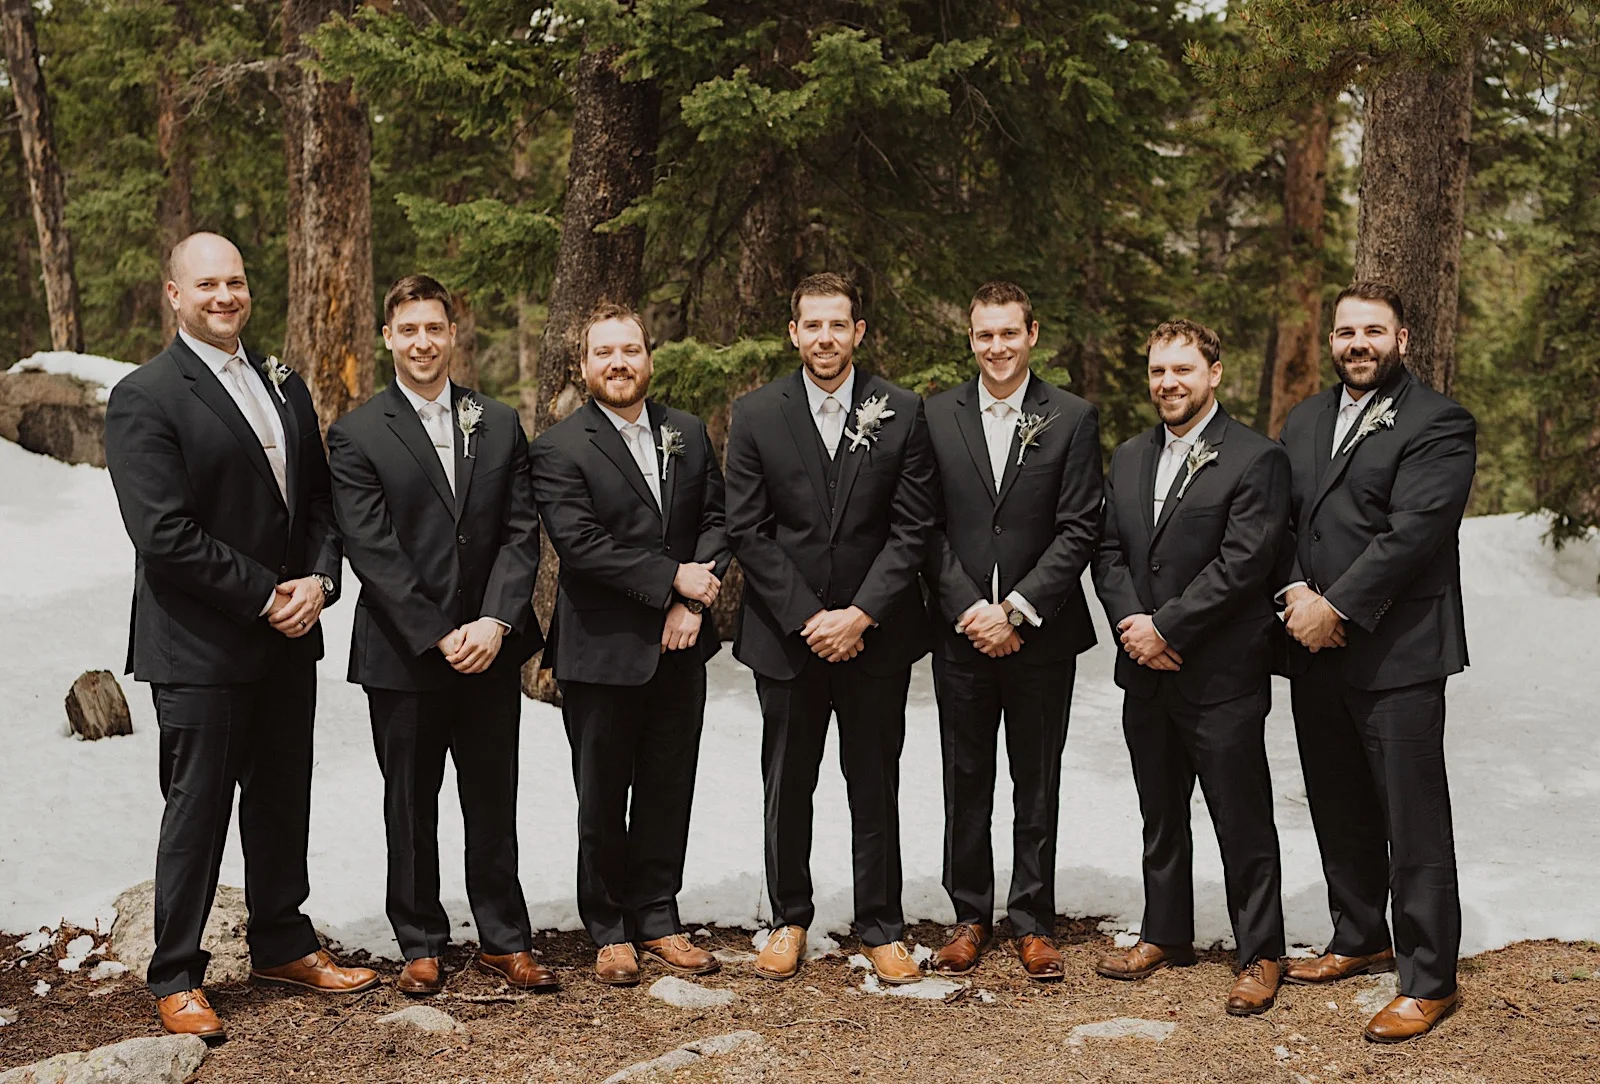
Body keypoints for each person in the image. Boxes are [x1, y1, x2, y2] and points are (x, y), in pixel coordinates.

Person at [104, 232, 376, 1041]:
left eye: (236, 282)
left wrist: (320, 581)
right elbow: (163, 534)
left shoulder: (283, 383)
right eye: (207, 285)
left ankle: (283, 945)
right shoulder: (146, 395)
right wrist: (264, 595)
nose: (225, 296)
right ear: (174, 294)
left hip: (291, 632)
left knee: (282, 798)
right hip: (201, 642)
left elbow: (320, 501)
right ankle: (176, 974)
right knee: (197, 810)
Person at [326, 274, 548, 997]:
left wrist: (495, 621)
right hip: (405, 654)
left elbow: (520, 530)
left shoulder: (499, 422)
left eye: (434, 328)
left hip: (490, 648)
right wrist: (438, 633)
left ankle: (504, 939)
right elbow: (371, 548)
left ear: (452, 334)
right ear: (387, 338)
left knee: (493, 800)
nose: (422, 342)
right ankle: (420, 941)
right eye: (409, 330)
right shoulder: (357, 433)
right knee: (410, 804)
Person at [1277, 282, 1475, 1042]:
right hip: (1313, 646)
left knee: (1411, 817)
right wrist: (1297, 593)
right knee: (1338, 801)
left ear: (1403, 340)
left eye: (1373, 330)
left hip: (1398, 647)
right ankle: (1359, 934)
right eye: (1345, 331)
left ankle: (1429, 979)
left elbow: (1413, 532)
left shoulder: (1439, 422)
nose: (1357, 343)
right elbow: (1280, 519)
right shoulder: (1305, 419)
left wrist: (1337, 607)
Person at [724, 273, 936, 985]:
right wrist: (811, 618)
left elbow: (912, 529)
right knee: (788, 785)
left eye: (837, 324)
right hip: (787, 638)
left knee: (875, 783)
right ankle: (789, 919)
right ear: (794, 333)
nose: (825, 337)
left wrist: (861, 614)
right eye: (812, 325)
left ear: (858, 332)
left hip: (876, 635)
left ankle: (881, 926)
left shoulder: (901, 411)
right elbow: (748, 530)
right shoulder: (756, 413)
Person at [1091, 319, 1290, 1015]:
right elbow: (1108, 552)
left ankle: (1261, 952)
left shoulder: (1256, 457)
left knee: (1241, 818)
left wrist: (1167, 627)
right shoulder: (1129, 456)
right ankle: (1165, 933)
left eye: (1182, 370)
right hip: (1146, 671)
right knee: (1160, 814)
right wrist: (1134, 628)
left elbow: (1245, 561)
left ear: (1214, 374)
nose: (1168, 383)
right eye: (1158, 371)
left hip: (1220, 674)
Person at [529, 304, 730, 986]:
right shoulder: (559, 448)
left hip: (682, 643)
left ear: (649, 356)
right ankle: (609, 928)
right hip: (602, 649)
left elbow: (717, 521)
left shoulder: (687, 432)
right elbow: (581, 546)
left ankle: (659, 917)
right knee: (602, 795)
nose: (619, 362)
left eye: (630, 350)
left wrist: (692, 604)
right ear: (584, 365)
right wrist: (673, 580)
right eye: (604, 352)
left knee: (669, 787)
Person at [921, 281, 1101, 981]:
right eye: (984, 335)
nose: (996, 347)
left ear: (1032, 335)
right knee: (965, 778)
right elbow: (925, 526)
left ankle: (1031, 919)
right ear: (971, 339)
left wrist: (1017, 609)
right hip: (961, 633)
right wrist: (970, 609)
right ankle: (969, 916)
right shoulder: (936, 415)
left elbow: (1080, 526)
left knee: (1037, 778)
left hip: (1041, 636)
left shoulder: (1072, 417)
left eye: (1008, 333)